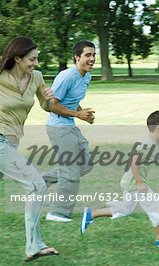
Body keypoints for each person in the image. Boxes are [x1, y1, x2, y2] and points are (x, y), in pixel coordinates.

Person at [80, 111, 159, 249]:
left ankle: (91, 214)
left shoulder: (158, 142)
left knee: (125, 209)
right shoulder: (145, 144)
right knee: (154, 204)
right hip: (134, 182)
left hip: (130, 182)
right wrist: (140, 183)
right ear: (158, 128)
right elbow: (134, 163)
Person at [0, 36, 59, 261]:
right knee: (36, 185)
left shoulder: (36, 77)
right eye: (31, 59)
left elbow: (46, 106)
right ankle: (33, 245)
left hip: (12, 142)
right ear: (17, 58)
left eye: (37, 59)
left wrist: (49, 99)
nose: (35, 63)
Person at [42, 40, 96, 222]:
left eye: (93, 55)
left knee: (86, 164)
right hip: (58, 128)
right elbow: (52, 105)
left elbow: (71, 100)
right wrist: (77, 114)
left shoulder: (86, 76)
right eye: (88, 55)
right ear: (77, 57)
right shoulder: (67, 76)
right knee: (71, 170)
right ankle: (57, 213)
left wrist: (82, 114)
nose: (92, 59)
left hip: (69, 125)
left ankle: (41, 181)